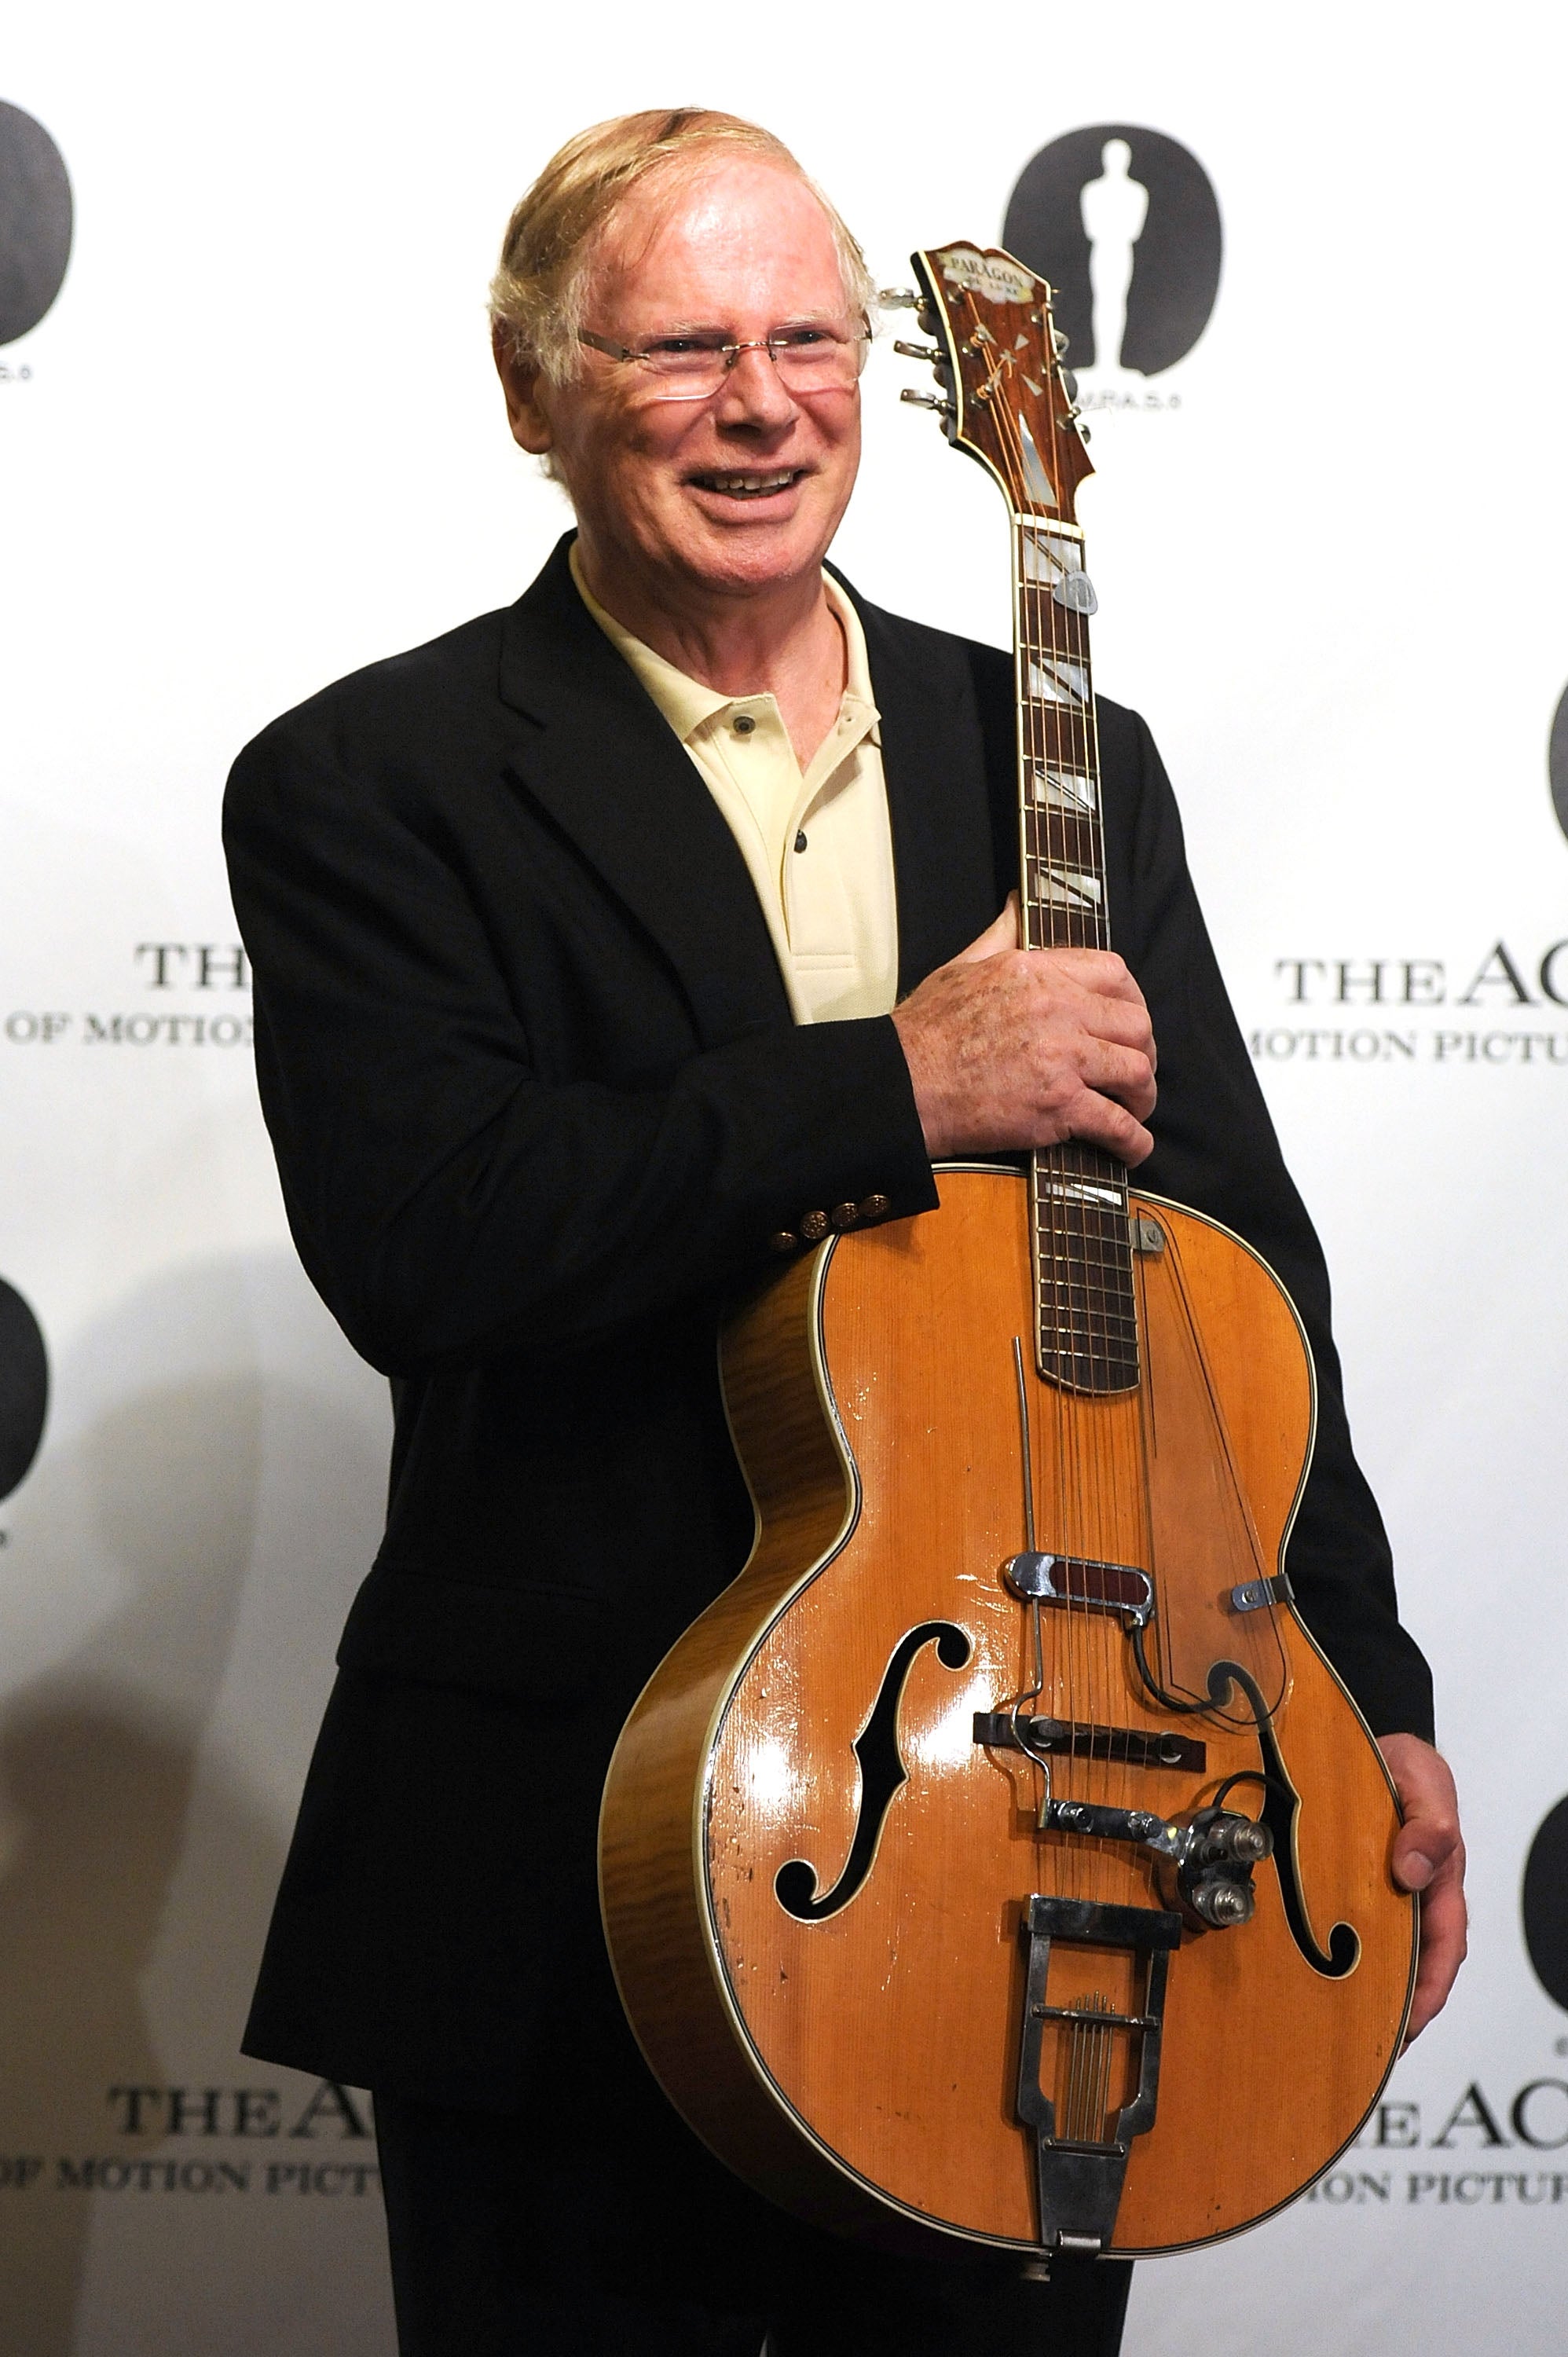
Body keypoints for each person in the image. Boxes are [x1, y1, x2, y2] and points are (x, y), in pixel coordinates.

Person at [223, 108, 1466, 2357]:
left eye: (802, 337)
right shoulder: (363, 783)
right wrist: (899, 1081)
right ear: (536, 392)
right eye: (679, 345)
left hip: (1034, 1849)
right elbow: (428, 1240)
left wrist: (1363, 1697)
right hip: (563, 1879)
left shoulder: (1052, 749)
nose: (759, 399)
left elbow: (1233, 1282)